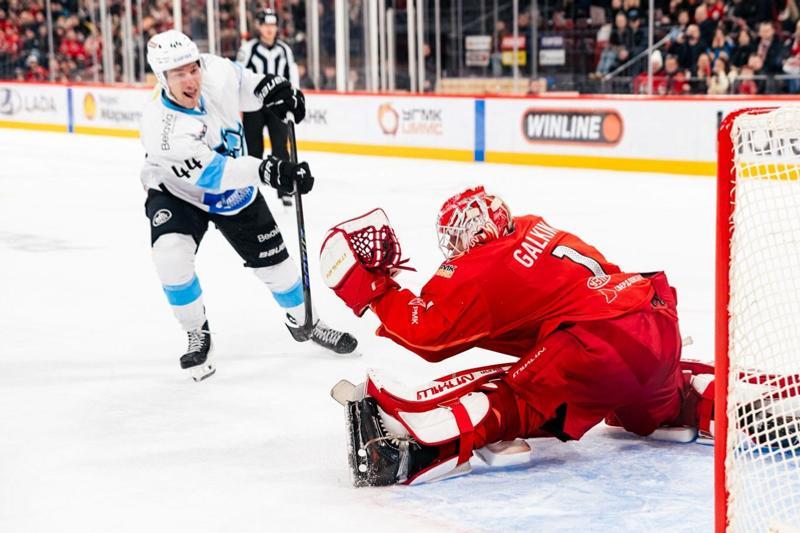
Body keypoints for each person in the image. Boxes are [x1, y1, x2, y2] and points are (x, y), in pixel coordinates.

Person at [319, 186, 715, 485]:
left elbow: (428, 334)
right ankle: (714, 400)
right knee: (658, 408)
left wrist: (372, 289)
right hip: (653, 318)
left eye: (456, 238)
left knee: (513, 402)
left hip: (594, 343)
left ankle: (414, 452)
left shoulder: (482, 268)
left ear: (476, 235)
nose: (453, 248)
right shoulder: (532, 226)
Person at [139, 29, 357, 382]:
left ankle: (306, 321)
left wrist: (275, 90)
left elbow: (247, 85)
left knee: (279, 268)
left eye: (193, 68)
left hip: (234, 192)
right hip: (178, 192)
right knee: (170, 255)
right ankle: (196, 331)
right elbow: (217, 174)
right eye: (179, 74)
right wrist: (271, 171)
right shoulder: (162, 131)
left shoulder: (215, 71)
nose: (191, 79)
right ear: (162, 78)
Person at [237, 8, 299, 208]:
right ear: (259, 26)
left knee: (281, 147)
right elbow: (238, 75)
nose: (269, 29)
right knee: (253, 148)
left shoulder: (284, 50)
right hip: (252, 105)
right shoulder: (248, 48)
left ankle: (285, 188)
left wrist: (292, 98)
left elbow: (292, 76)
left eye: (273, 25)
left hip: (277, 106)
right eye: (266, 25)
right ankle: (250, 189)